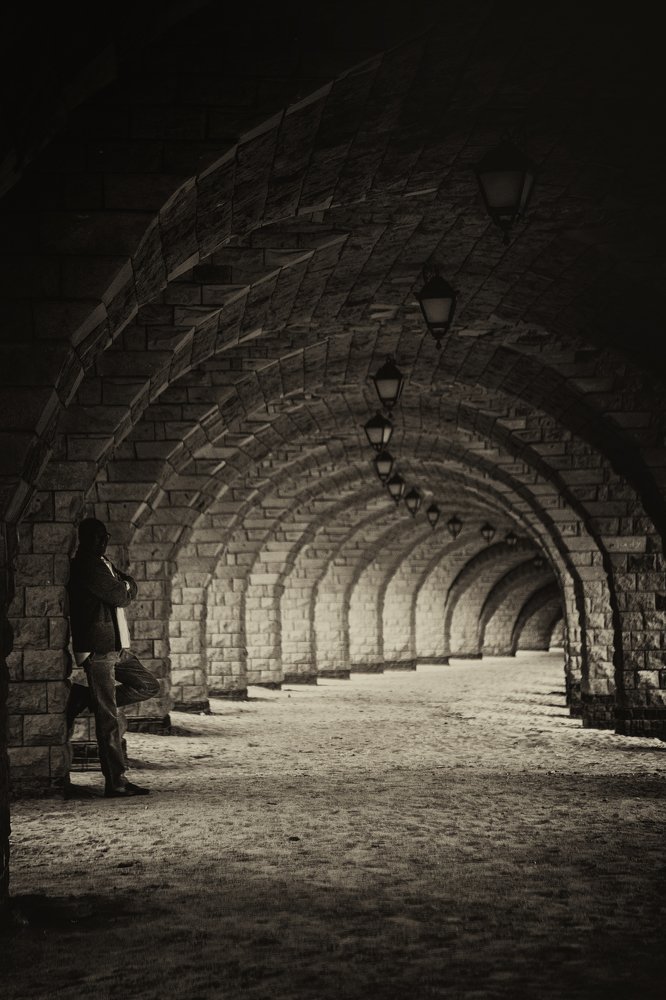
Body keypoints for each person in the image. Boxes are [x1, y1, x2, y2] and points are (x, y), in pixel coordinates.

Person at [66, 517, 160, 798]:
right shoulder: (87, 564)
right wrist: (125, 586)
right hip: (98, 648)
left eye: (104, 536)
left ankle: (85, 698)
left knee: (147, 685)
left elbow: (128, 584)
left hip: (117, 646)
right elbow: (122, 594)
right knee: (108, 719)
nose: (101, 541)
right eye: (95, 537)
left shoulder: (103, 562)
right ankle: (116, 782)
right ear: (84, 538)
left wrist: (126, 585)